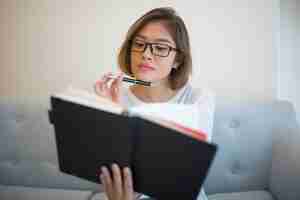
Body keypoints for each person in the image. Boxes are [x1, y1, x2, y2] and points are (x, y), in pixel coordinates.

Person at [94, 7, 215, 200]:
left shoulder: (199, 99)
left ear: (178, 60)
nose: (146, 54)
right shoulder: (117, 97)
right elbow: (112, 171)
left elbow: (188, 170)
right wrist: (111, 113)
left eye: (160, 47)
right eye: (139, 44)